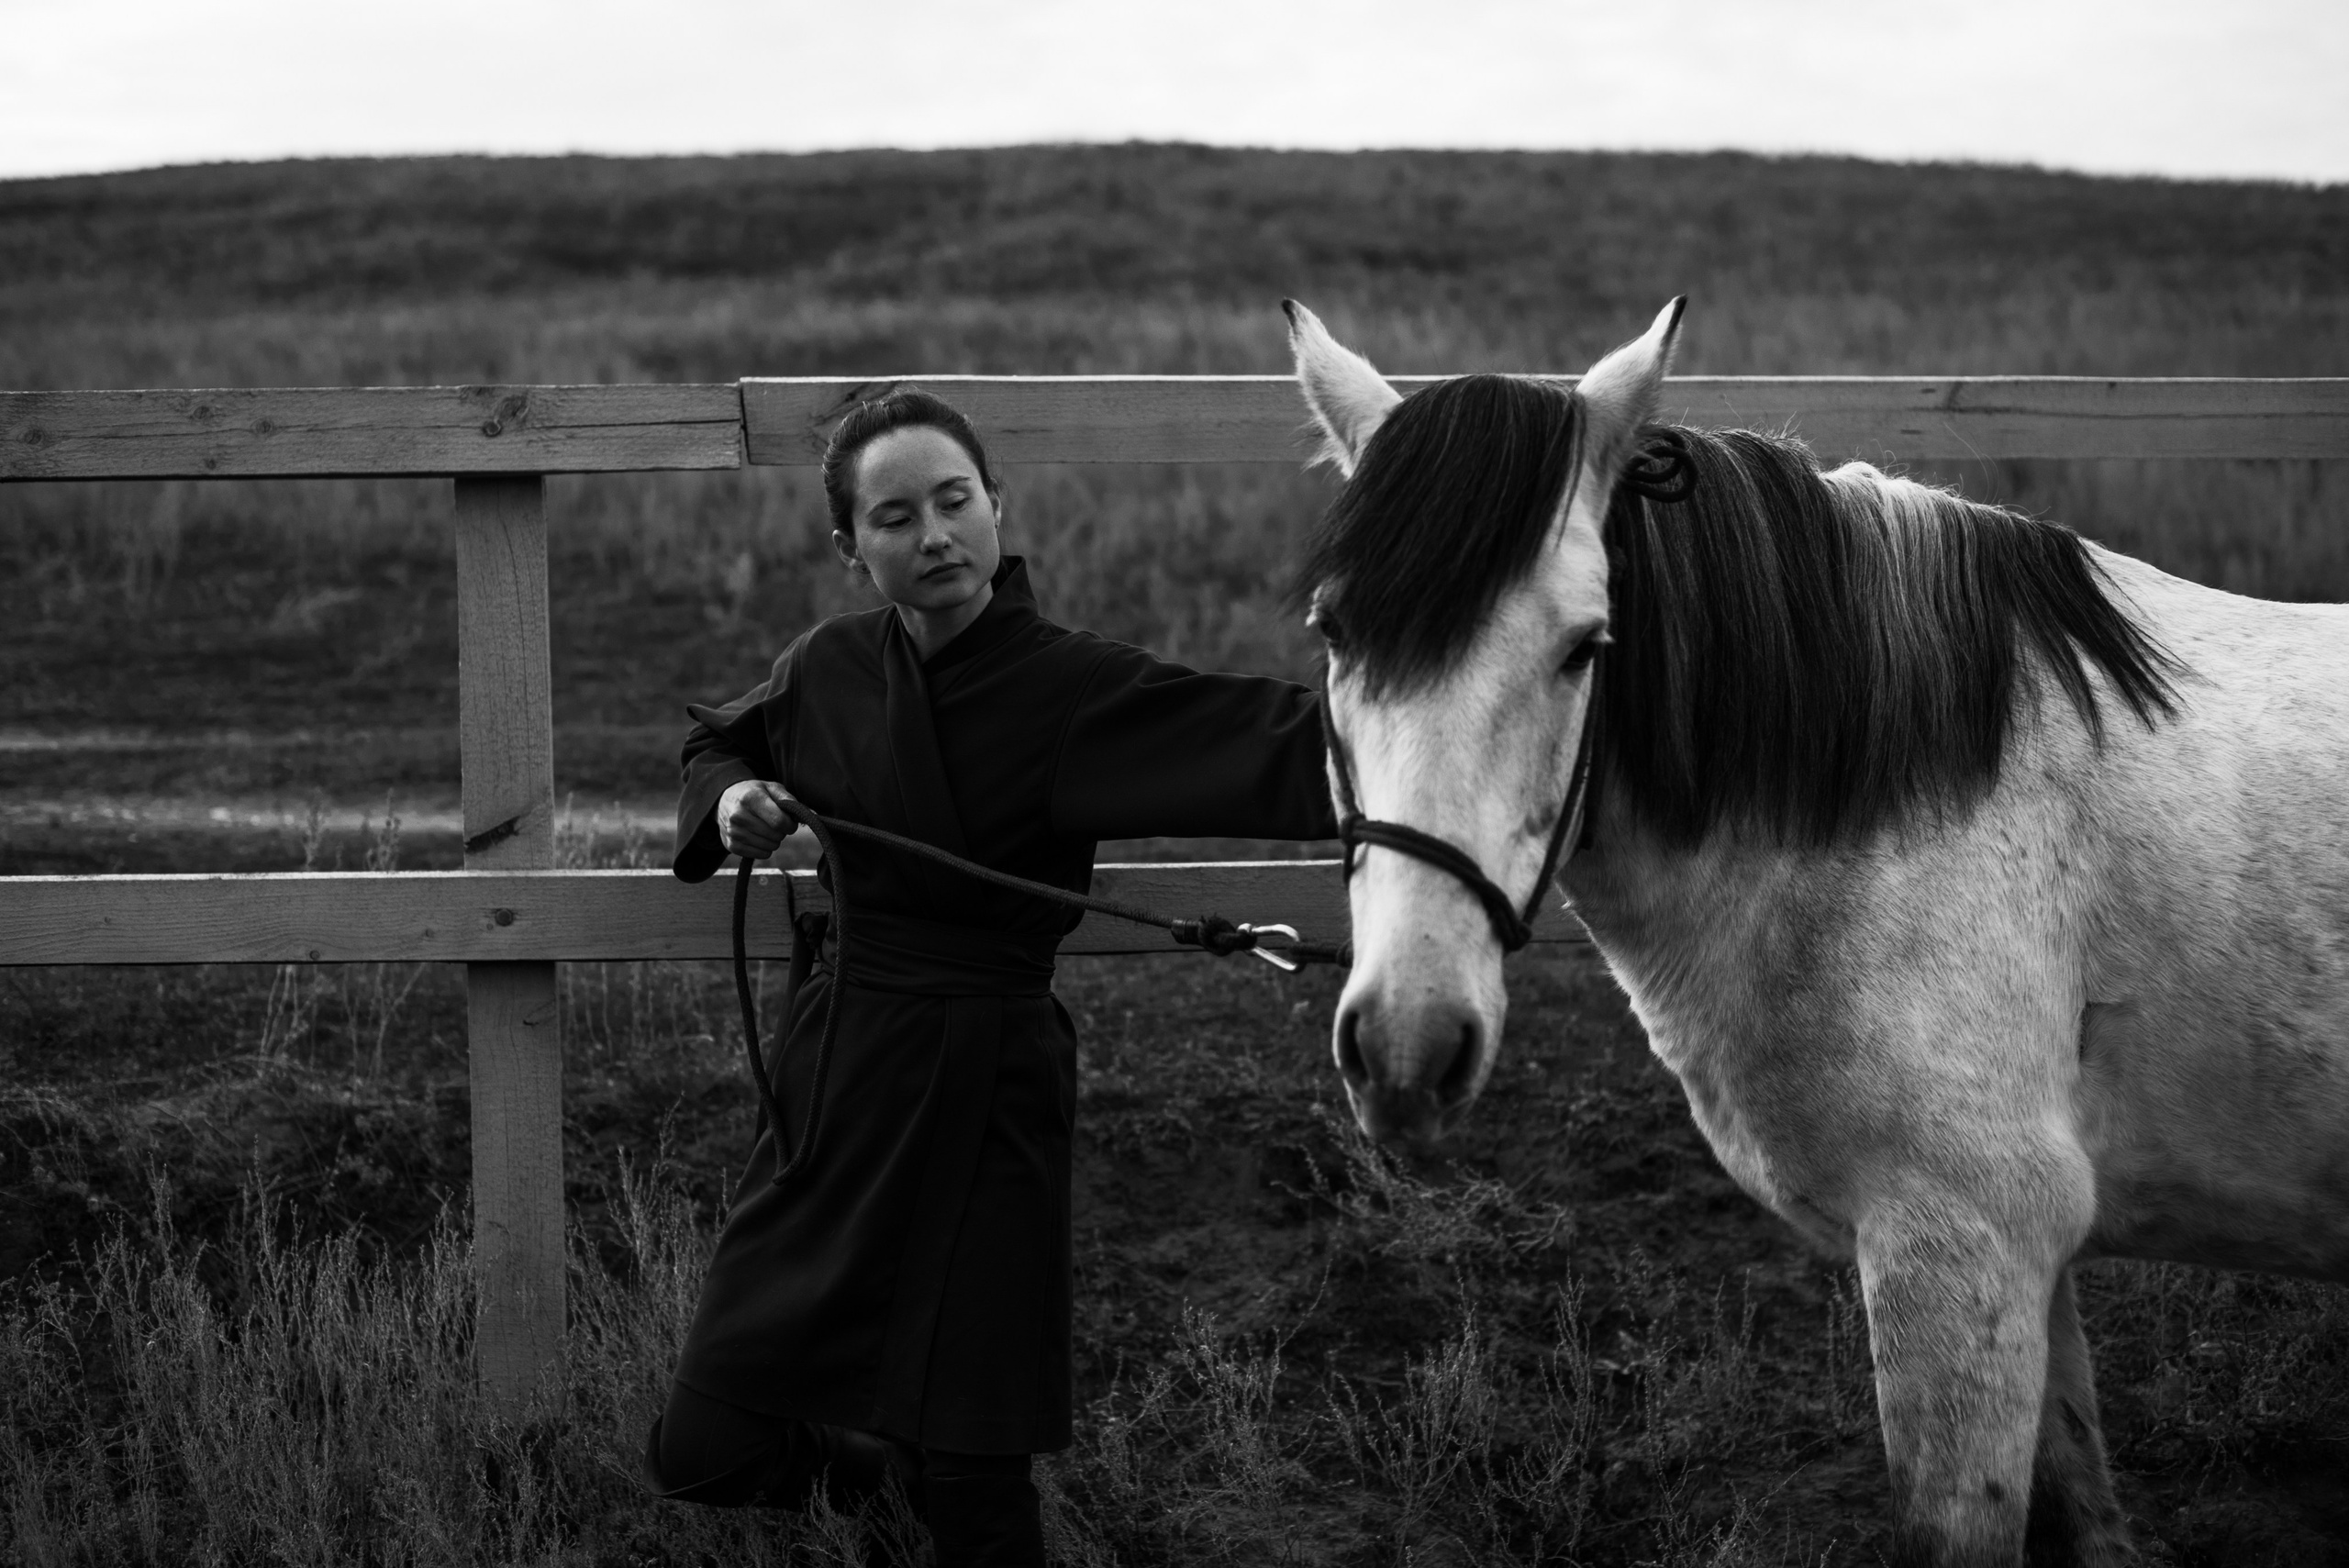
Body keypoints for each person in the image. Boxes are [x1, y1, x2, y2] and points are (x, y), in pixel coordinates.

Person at [643, 390, 1335, 1566]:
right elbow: (721, 737)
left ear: (997, 505)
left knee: (977, 1475)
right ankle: (888, 1483)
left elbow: (1281, 745)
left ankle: (942, 1488)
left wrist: (1491, 732)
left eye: (955, 502)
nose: (935, 537)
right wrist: (729, 798)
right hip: (838, 1082)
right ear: (851, 548)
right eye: (896, 516)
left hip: (986, 1082)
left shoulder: (1076, 688)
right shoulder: (825, 668)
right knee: (703, 1447)